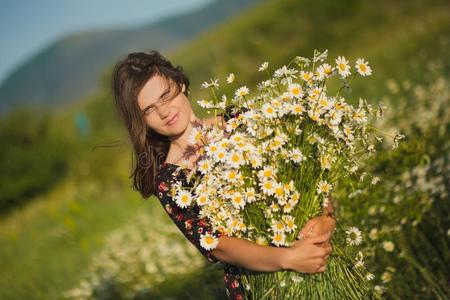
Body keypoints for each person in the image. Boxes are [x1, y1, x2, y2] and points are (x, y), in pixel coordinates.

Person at [112, 50, 336, 299]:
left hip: (319, 255)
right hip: (259, 286)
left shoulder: (240, 121)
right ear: (141, 121)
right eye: (149, 109)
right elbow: (217, 245)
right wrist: (288, 258)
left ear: (181, 83)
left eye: (165, 95)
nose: (164, 111)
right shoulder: (169, 180)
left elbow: (307, 173)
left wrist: (326, 218)